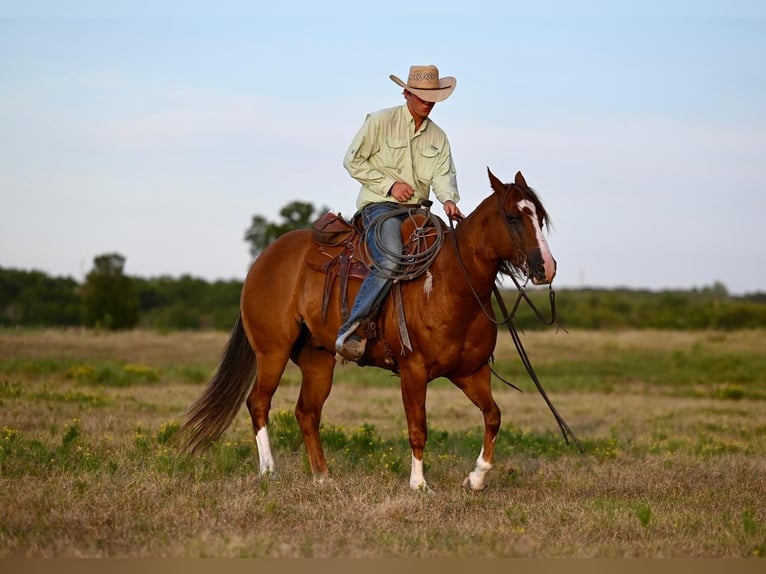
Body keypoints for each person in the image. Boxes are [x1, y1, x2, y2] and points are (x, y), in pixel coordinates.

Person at [335, 64, 464, 361]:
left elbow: (444, 175)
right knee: (392, 256)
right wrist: (390, 185)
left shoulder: (438, 137)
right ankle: (351, 330)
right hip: (379, 207)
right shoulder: (380, 121)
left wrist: (448, 200)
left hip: (419, 210)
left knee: (447, 253)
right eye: (421, 96)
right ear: (406, 93)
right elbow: (352, 160)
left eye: (432, 97)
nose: (427, 102)